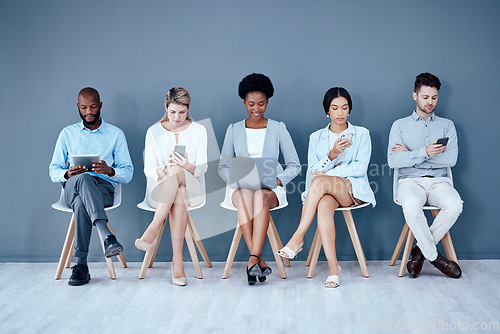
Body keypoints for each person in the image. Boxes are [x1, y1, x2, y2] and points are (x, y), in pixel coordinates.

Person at [277, 87, 376, 288]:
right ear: (327, 111)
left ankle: (298, 237)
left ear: (350, 110)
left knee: (321, 181)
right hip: (325, 192)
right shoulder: (316, 137)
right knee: (323, 205)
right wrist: (331, 155)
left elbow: (360, 167)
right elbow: (313, 170)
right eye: (335, 108)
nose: (340, 113)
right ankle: (333, 268)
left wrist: (330, 172)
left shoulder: (362, 134)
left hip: (351, 190)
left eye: (344, 108)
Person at [218, 73, 301, 285]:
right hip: (241, 188)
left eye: (262, 104)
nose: (256, 109)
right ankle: (257, 259)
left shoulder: (278, 128)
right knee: (246, 194)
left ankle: (253, 260)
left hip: (270, 188)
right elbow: (222, 166)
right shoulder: (234, 129)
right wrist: (234, 179)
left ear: (268, 102)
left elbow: (294, 165)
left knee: (260, 198)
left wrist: (279, 180)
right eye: (251, 104)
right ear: (244, 102)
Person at [49, 87, 134, 286]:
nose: (89, 111)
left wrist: (109, 170)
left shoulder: (115, 134)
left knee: (81, 203)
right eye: (84, 107)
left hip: (103, 190)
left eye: (93, 107)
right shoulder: (67, 133)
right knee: (83, 179)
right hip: (72, 187)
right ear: (78, 107)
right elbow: (53, 170)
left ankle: (80, 266)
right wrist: (68, 173)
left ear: (100, 106)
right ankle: (107, 235)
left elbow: (128, 172)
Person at [388, 72, 463, 279]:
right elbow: (394, 161)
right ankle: (436, 259)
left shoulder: (447, 125)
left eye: (434, 98)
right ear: (415, 96)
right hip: (409, 182)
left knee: (455, 204)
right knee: (411, 206)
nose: (430, 102)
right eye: (425, 97)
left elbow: (451, 160)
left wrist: (412, 154)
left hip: (440, 182)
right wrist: (425, 152)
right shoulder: (399, 126)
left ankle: (419, 252)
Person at [135, 87, 207, 286]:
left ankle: (152, 230)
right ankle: (178, 263)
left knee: (178, 173)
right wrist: (167, 170)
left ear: (188, 108)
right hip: (160, 190)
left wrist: (184, 166)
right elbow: (148, 170)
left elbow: (202, 169)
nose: (177, 117)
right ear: (165, 107)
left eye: (182, 112)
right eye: (173, 111)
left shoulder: (199, 130)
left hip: (194, 188)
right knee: (178, 192)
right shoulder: (153, 131)